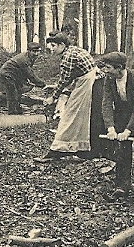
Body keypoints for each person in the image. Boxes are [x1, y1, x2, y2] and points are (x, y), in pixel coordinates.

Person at [97, 51, 134, 199]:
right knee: (122, 148)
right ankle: (122, 185)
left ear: (119, 68)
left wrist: (129, 130)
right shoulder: (109, 79)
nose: (105, 70)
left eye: (108, 67)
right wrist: (110, 127)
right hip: (123, 112)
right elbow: (106, 103)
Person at [35, 33, 99, 162]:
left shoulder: (68, 56)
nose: (51, 48)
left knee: (70, 115)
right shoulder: (73, 50)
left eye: (53, 46)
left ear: (62, 45)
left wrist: (53, 97)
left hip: (87, 83)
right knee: (80, 116)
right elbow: (71, 77)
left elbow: (65, 80)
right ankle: (81, 149)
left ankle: (58, 150)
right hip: (88, 80)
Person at [0, 42, 47, 114]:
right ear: (29, 51)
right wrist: (43, 84)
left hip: (16, 75)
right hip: (7, 74)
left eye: (38, 51)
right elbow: (31, 75)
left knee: (19, 92)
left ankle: (18, 110)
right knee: (12, 94)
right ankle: (12, 113)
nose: (36, 54)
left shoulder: (30, 57)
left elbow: (25, 72)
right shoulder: (23, 59)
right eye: (34, 51)